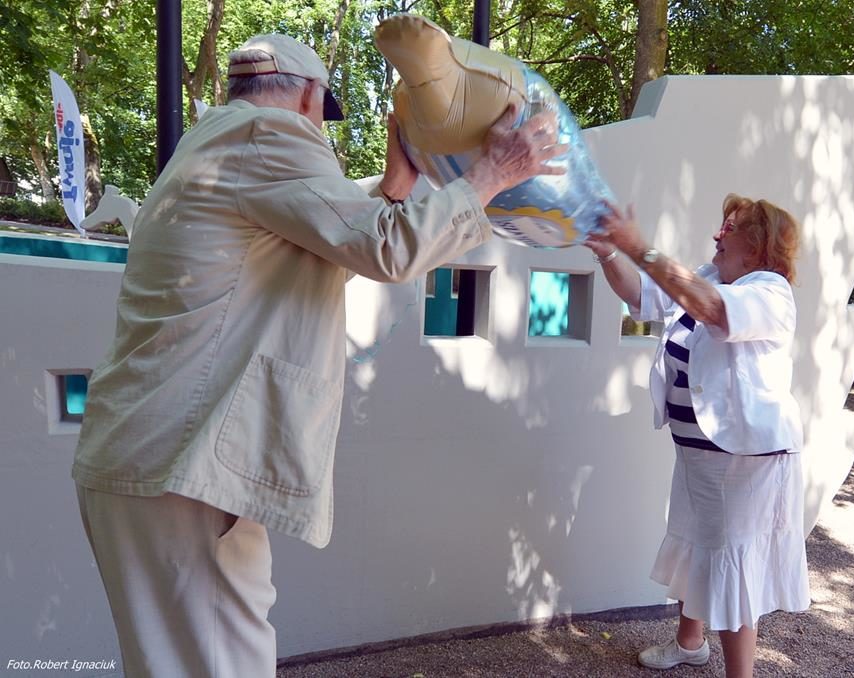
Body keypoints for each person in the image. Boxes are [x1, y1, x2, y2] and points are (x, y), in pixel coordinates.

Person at [71, 33, 565, 678]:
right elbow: (388, 251)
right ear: (308, 95)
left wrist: (395, 186)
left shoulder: (210, 145)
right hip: (182, 469)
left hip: (144, 458)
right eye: (323, 114)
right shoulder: (268, 135)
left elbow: (321, 241)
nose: (320, 130)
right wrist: (492, 175)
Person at [586, 195, 810, 678]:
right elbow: (642, 297)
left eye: (730, 228)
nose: (716, 235)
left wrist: (638, 245)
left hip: (746, 460)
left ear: (758, 246)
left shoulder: (770, 292)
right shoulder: (709, 276)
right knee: (698, 544)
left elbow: (713, 310)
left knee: (731, 568)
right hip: (699, 451)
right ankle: (690, 644)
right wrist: (609, 252)